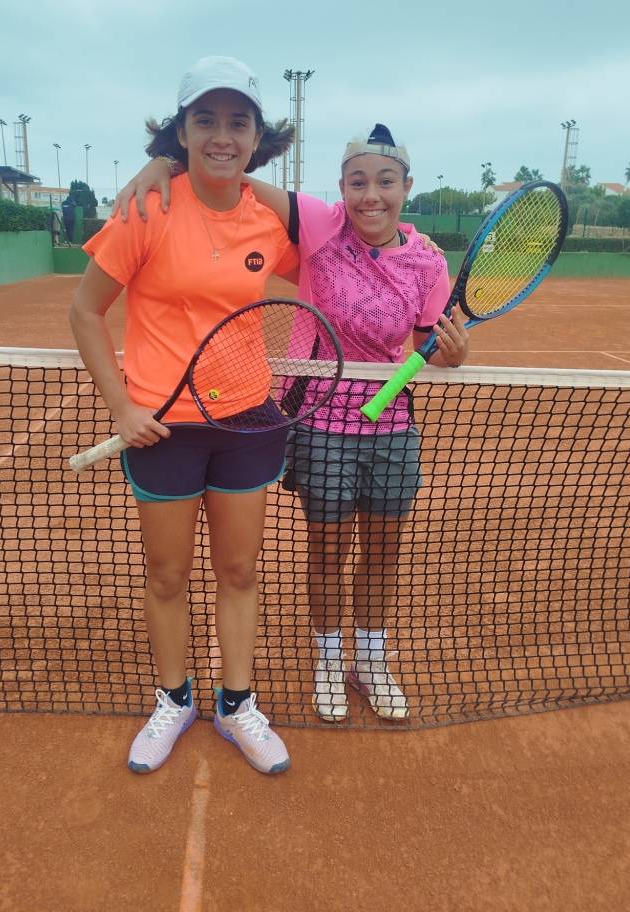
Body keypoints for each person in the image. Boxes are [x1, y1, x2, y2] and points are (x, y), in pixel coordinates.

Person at [115, 123, 469, 724]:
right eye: (358, 182)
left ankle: (371, 661)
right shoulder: (319, 223)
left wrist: (452, 353)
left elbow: (428, 343)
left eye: (385, 182)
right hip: (322, 424)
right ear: (341, 188)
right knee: (328, 552)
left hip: (392, 430)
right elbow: (230, 173)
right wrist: (167, 164)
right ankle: (329, 661)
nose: (371, 196)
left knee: (382, 554)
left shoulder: (427, 262)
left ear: (407, 187)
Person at [69, 56, 299, 774]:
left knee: (239, 570)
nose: (222, 135)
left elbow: (353, 252)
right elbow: (85, 310)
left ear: (258, 136)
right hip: (162, 428)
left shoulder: (276, 217)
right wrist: (122, 404)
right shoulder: (147, 210)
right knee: (166, 576)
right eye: (206, 121)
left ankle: (237, 705)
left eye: (238, 122)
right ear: (182, 131)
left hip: (246, 424)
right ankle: (174, 699)